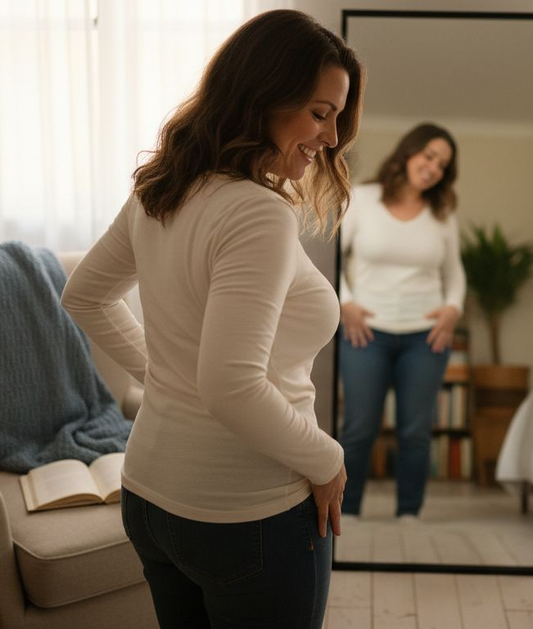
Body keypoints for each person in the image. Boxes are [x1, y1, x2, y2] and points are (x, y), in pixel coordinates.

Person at [61, 10, 363, 629]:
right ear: (262, 97)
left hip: (149, 495)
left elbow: (83, 295)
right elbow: (230, 385)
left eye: (336, 116)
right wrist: (327, 458)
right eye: (319, 112)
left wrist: (168, 374)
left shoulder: (164, 187)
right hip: (245, 511)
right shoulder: (258, 213)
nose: (330, 138)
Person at [338, 123, 464, 520]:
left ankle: (409, 514)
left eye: (442, 165)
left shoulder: (443, 214)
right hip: (365, 333)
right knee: (359, 429)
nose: (433, 168)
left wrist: (452, 308)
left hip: (425, 337)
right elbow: (332, 258)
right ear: (408, 153)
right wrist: (346, 302)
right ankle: (348, 514)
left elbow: (455, 273)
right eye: (428, 156)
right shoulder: (362, 199)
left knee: (415, 432)